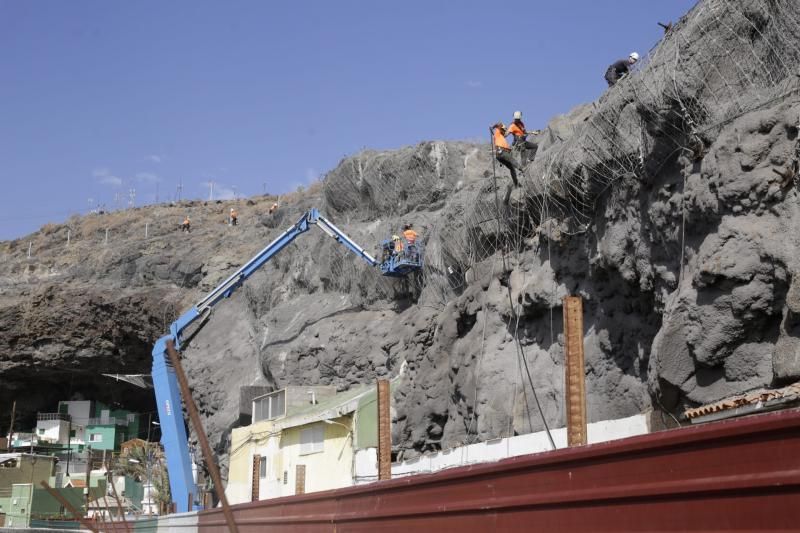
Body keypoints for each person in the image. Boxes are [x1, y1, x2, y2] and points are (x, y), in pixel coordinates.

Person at [491, 122, 521, 187]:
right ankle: (522, 169)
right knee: (512, 160)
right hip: (501, 152)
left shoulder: (500, 136)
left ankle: (516, 184)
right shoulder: (497, 132)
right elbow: (498, 123)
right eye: (504, 130)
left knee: (512, 168)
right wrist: (493, 127)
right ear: (501, 129)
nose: (504, 131)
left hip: (501, 153)